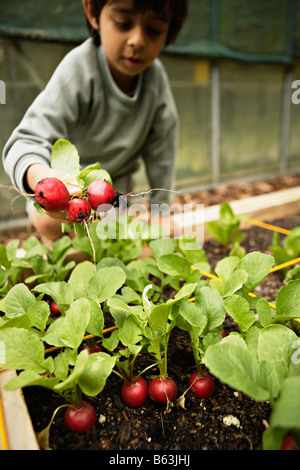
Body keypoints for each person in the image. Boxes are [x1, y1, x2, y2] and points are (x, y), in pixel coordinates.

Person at [2, 0, 188, 242]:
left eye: (153, 30)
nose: (137, 41)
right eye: (123, 23)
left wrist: (160, 207)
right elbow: (25, 141)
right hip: (67, 203)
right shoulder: (79, 69)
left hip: (116, 200)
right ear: (92, 12)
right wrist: (45, 183)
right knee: (47, 223)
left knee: (156, 240)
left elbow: (161, 148)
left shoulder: (156, 80)